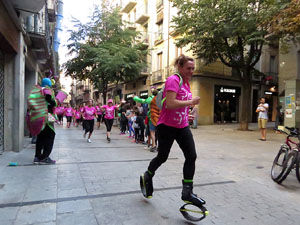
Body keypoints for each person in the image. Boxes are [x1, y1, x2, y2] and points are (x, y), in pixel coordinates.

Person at [140, 55, 206, 208]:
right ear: (180, 67)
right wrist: (191, 102)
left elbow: (179, 105)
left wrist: (186, 113)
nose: (191, 71)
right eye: (188, 68)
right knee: (162, 157)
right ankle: (148, 175)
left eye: (193, 69)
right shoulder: (173, 80)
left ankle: (187, 192)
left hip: (182, 126)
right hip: (167, 126)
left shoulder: (187, 83)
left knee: (191, 156)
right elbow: (169, 103)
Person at [27, 78, 59, 164]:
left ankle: (37, 157)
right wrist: (55, 101)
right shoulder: (46, 90)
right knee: (50, 135)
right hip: (47, 116)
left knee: (40, 136)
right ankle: (45, 157)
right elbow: (50, 100)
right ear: (48, 84)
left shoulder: (37, 91)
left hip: (39, 116)